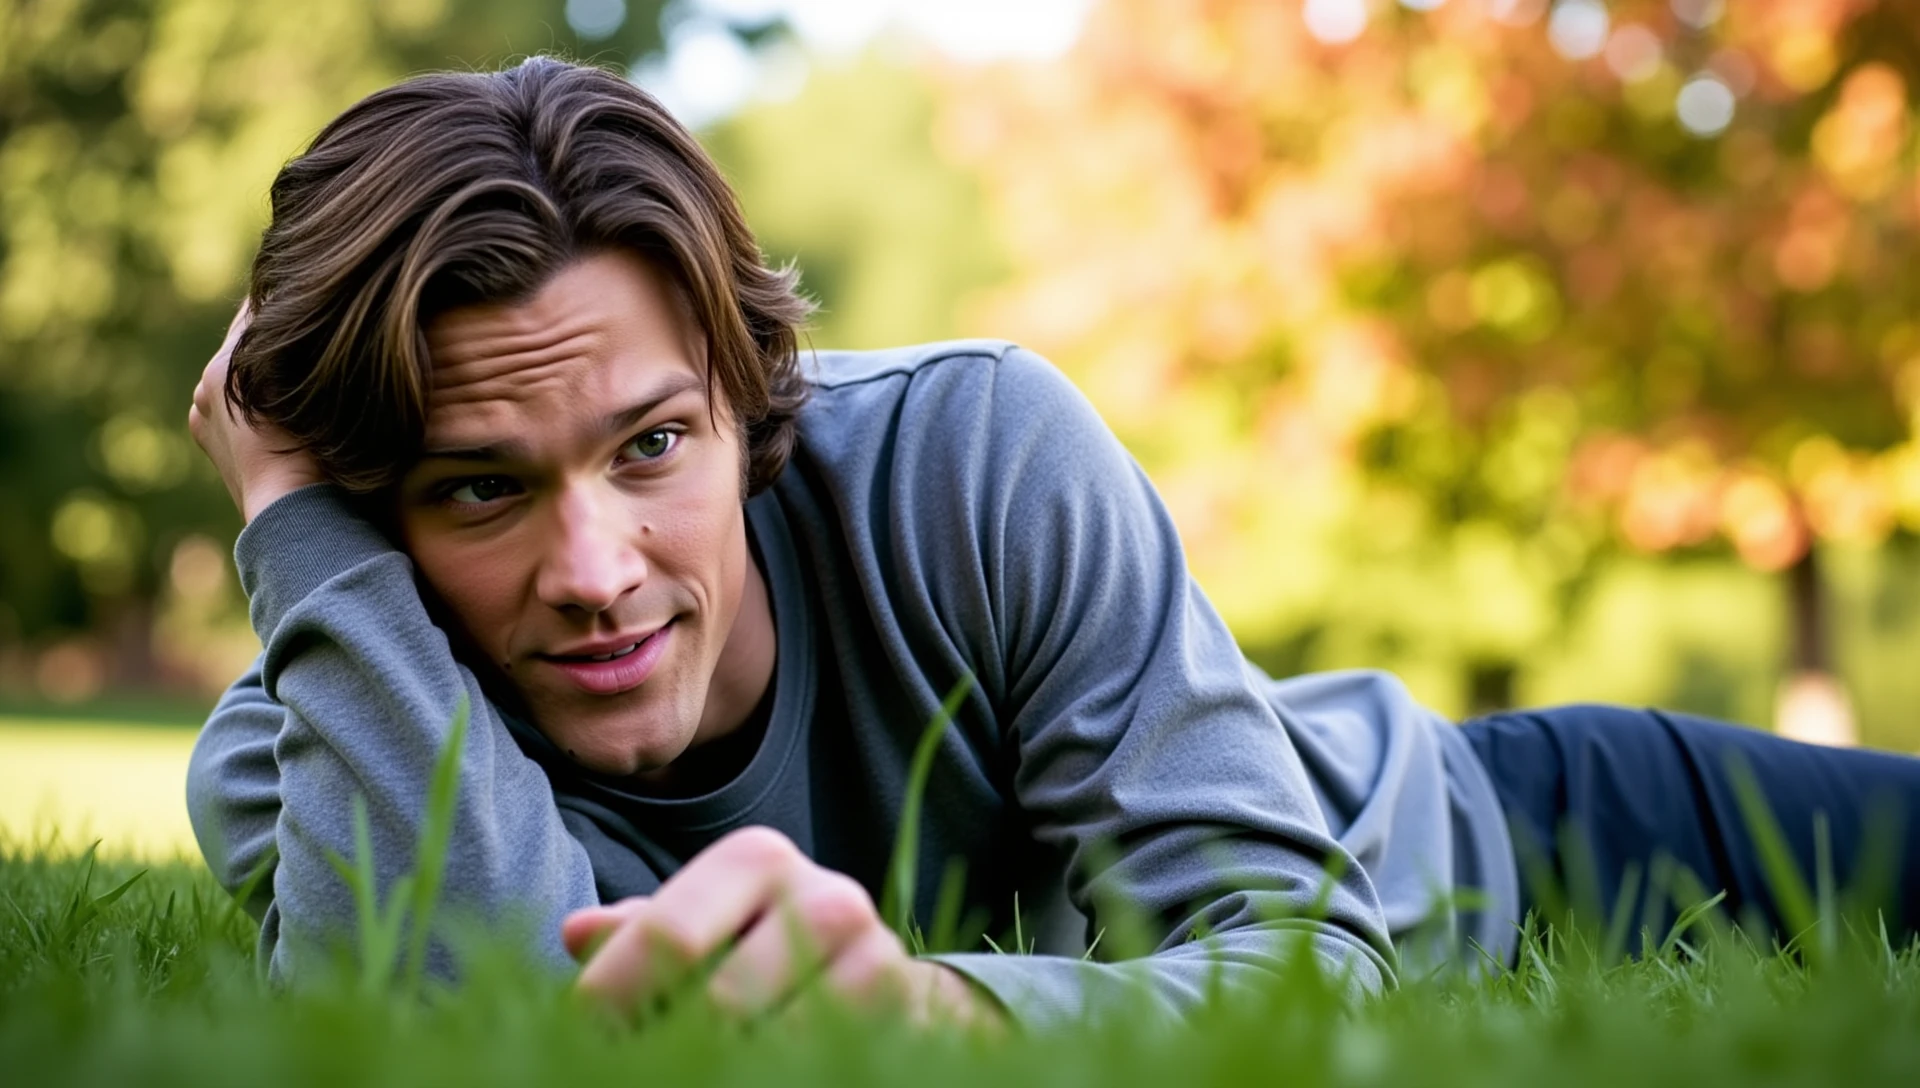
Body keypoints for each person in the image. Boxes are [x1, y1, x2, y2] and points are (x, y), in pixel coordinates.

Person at [184, 57, 1920, 1030]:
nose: (596, 566)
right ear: (359, 505)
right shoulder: (315, 741)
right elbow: (453, 1031)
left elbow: (1302, 962)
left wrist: (930, 1024)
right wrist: (296, 529)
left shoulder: (972, 451)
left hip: (1517, 836)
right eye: (480, 487)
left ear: (741, 399)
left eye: (653, 447)